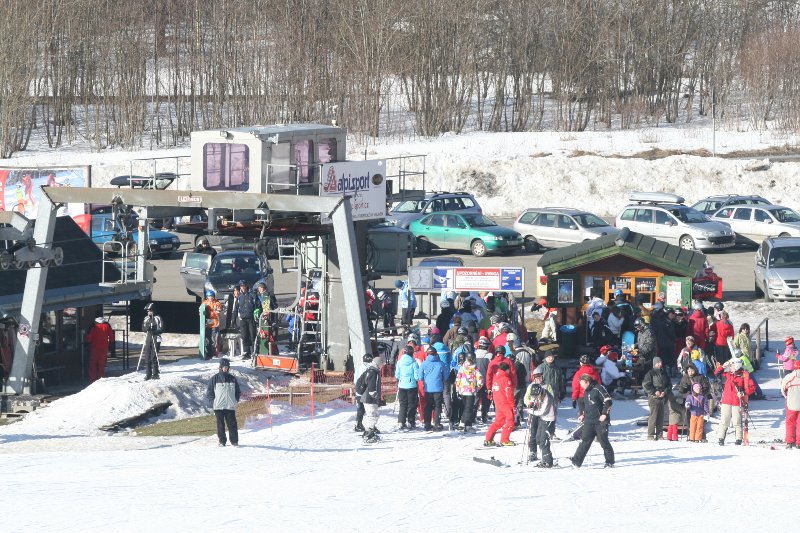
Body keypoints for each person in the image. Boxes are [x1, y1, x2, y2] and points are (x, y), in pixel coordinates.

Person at [570, 374, 615, 468]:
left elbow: (608, 401)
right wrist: (582, 414)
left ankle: (610, 462)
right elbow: (587, 405)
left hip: (600, 421)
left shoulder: (598, 388)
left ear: (587, 382)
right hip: (589, 421)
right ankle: (576, 461)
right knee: (585, 441)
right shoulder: (586, 391)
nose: (581, 385)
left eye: (581, 383)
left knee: (604, 442)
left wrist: (604, 414)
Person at [715, 357, 756, 445]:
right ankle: (721, 438)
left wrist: (743, 393)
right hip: (726, 400)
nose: (731, 367)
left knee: (737, 421)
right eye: (731, 365)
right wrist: (723, 365)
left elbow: (752, 388)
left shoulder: (744, 375)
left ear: (737, 366)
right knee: (724, 420)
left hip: (737, 401)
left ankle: (738, 439)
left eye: (732, 365)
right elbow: (717, 373)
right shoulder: (728, 374)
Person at [206, 358, 241, 447]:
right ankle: (222, 441)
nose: (225, 368)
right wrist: (213, 402)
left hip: (230, 406)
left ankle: (234, 442)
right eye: (224, 367)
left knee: (232, 424)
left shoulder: (232, 379)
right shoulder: (215, 378)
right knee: (220, 425)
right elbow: (209, 392)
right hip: (218, 406)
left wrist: (235, 400)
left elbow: (237, 391)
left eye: (227, 367)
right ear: (220, 367)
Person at [642, 357, 676, 441]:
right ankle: (650, 435)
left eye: (660, 362)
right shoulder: (650, 373)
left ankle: (659, 434)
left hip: (663, 397)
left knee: (660, 417)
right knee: (653, 416)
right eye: (658, 362)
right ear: (654, 363)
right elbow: (646, 385)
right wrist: (654, 392)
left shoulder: (664, 373)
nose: (660, 364)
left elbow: (669, 384)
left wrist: (665, 392)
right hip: (654, 398)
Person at [484, 362, 516, 447]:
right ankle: (504, 440)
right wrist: (513, 406)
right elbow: (509, 394)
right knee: (510, 420)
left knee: (498, 422)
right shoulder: (506, 379)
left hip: (498, 403)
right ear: (507, 370)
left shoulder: (496, 378)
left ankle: (488, 439)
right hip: (505, 403)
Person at [525, 383, 556, 467]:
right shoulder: (539, 395)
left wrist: (531, 411)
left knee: (543, 441)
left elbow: (543, 412)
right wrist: (532, 404)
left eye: (536, 395)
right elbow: (534, 401)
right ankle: (545, 459)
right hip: (543, 419)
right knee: (538, 439)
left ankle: (548, 461)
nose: (535, 397)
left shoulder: (547, 397)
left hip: (549, 420)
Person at [420, 346, 448, 431]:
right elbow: (445, 376)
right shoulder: (440, 363)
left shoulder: (424, 363)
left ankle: (427, 424)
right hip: (438, 388)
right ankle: (437, 424)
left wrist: (426, 380)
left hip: (428, 388)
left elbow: (420, 376)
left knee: (428, 406)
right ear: (436, 354)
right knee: (437, 406)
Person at [358, 355, 384, 443]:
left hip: (367, 397)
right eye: (381, 364)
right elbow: (372, 386)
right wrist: (376, 397)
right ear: (378, 364)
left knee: (372, 415)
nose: (382, 366)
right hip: (370, 398)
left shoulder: (370, 370)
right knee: (372, 416)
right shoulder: (374, 372)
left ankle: (369, 432)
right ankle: (369, 434)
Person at [455, 353, 483, 431]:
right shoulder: (475, 369)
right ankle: (463, 423)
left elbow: (458, 378)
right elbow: (480, 380)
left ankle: (468, 425)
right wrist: (477, 388)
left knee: (466, 407)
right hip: (471, 391)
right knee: (469, 408)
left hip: (462, 390)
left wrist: (458, 389)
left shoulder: (462, 367)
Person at [395, 345, 421, 430]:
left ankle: (401, 422)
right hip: (411, 386)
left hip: (402, 385)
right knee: (411, 405)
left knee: (402, 404)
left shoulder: (399, 362)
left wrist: (402, 379)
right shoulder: (414, 362)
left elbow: (397, 375)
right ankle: (411, 422)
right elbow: (416, 376)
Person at [85, 315, 115, 383]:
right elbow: (111, 337)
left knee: (93, 364)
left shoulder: (93, 325)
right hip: (104, 347)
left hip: (94, 347)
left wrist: (87, 344)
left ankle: (92, 380)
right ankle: (101, 380)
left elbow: (89, 337)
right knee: (102, 364)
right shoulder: (107, 325)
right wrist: (111, 345)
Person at [235, 280, 258, 360]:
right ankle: (246, 352)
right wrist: (233, 320)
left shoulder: (252, 295)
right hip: (243, 319)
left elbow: (257, 306)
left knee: (252, 335)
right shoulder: (239, 297)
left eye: (244, 286)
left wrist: (257, 315)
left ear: (246, 286)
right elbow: (236, 308)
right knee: (244, 336)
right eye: (241, 286)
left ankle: (254, 351)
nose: (243, 287)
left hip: (251, 318)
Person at [780, 360, 800, 449]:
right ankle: (799, 442)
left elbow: (783, 389)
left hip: (791, 402)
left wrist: (786, 396)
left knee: (790, 422)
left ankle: (790, 441)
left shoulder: (789, 377)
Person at [142, 303, 163, 380]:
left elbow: (162, 328)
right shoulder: (146, 318)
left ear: (153, 310)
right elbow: (143, 328)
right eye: (148, 311)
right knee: (147, 356)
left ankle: (155, 373)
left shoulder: (158, 318)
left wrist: (155, 331)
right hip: (148, 338)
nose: (149, 312)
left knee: (154, 357)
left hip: (155, 338)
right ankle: (148, 373)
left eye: (150, 311)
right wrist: (147, 328)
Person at [474, 337, 493, 423]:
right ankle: (484, 415)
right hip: (486, 380)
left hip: (476, 380)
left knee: (476, 398)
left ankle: (473, 415)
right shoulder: (489, 356)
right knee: (486, 399)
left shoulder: (474, 354)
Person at [201, 290, 223, 360]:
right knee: (207, 339)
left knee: (213, 340)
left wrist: (212, 312)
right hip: (207, 324)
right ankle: (207, 353)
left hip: (215, 324)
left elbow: (218, 312)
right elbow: (201, 310)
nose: (210, 298)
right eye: (209, 296)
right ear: (207, 297)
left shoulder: (217, 303)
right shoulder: (205, 303)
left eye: (212, 296)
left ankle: (213, 353)